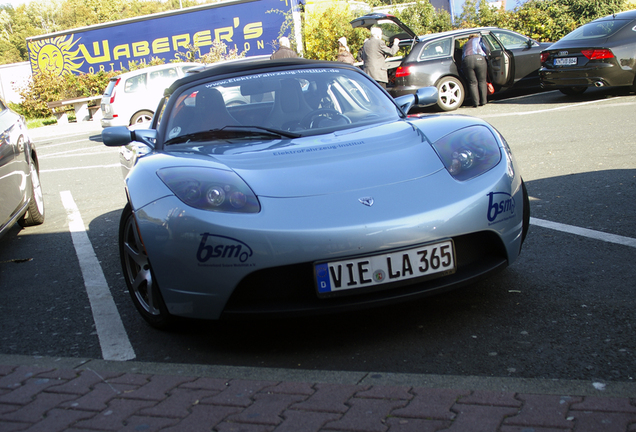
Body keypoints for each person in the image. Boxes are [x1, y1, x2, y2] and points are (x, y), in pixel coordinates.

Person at [461, 33, 490, 107]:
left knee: (472, 82)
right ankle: (483, 101)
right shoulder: (480, 39)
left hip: (467, 60)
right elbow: (486, 49)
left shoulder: (465, 44)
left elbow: (462, 55)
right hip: (479, 58)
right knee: (482, 81)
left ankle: (475, 103)